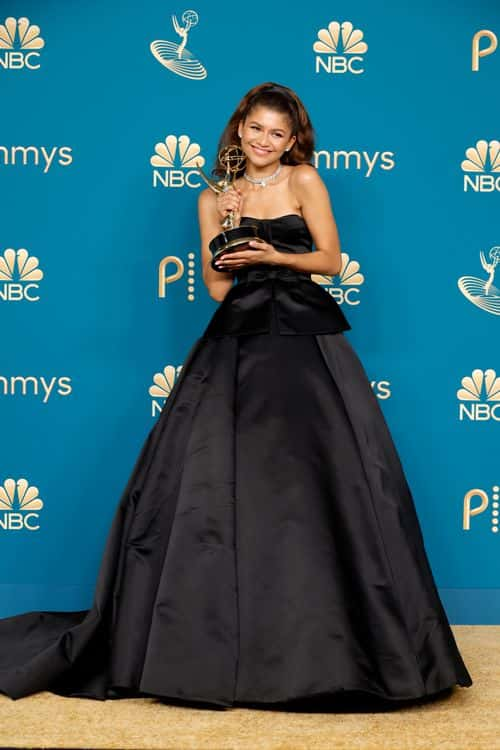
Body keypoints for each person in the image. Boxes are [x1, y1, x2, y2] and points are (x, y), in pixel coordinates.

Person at [0, 81, 472, 710]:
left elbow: (331, 259)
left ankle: (338, 643)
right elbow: (218, 290)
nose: (264, 142)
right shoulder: (214, 196)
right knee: (219, 487)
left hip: (307, 345)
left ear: (293, 140)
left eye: (278, 133)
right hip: (239, 343)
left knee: (330, 481)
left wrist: (274, 253)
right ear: (239, 127)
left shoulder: (305, 181)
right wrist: (231, 246)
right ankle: (215, 644)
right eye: (256, 129)